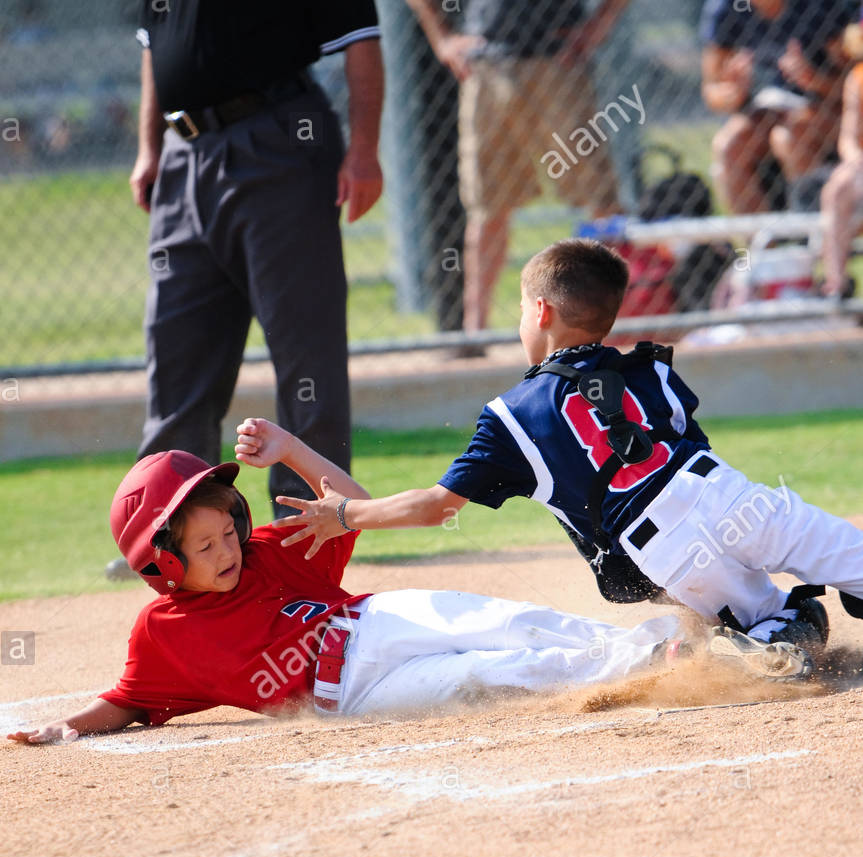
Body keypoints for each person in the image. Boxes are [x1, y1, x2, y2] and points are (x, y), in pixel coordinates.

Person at [237, 237, 863, 681]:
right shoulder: (649, 367)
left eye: (519, 308)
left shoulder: (511, 414)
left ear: (540, 312)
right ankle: (792, 614)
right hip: (729, 496)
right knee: (847, 561)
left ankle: (766, 642)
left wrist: (346, 514)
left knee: (776, 630)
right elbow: (685, 444)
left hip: (666, 549)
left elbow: (434, 507)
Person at [7, 448, 684, 745]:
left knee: (500, 622)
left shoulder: (270, 553)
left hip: (370, 625)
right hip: (348, 699)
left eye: (227, 532)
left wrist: (289, 449)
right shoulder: (163, 634)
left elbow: (356, 506)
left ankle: (665, 646)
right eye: (205, 547)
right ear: (161, 566)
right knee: (491, 673)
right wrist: (69, 726)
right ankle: (647, 670)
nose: (227, 551)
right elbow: (126, 699)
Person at [129, 1, 383, 518]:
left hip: (277, 139)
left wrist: (365, 151)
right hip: (183, 151)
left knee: (305, 348)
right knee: (176, 349)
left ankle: (308, 524)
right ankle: (174, 527)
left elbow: (362, 37)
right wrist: (149, 148)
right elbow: (154, 48)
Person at [404, 0, 629, 335]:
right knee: (487, 205)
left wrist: (599, 24)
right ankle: (475, 332)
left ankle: (619, 320)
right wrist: (442, 38)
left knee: (598, 197)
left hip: (558, 60)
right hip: (488, 65)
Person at [700, 0, 854, 214]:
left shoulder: (819, 6)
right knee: (729, 147)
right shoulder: (727, 7)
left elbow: (853, 82)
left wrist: (816, 82)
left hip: (827, 105)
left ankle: (815, 235)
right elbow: (712, 90)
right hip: (768, 106)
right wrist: (733, 92)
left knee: (791, 137)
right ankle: (762, 243)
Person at [820, 15, 863, 296]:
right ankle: (836, 285)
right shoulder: (858, 78)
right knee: (838, 186)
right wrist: (857, 159)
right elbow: (848, 137)